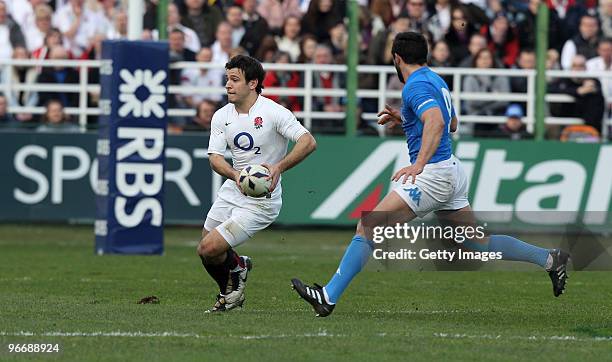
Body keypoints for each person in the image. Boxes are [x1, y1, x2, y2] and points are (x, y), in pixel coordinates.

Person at [291, 32, 570, 317]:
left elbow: (437, 121)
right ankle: (550, 259)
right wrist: (407, 117)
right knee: (476, 243)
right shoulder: (435, 79)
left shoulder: (414, 86)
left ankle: (328, 296)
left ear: (397, 58)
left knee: (369, 226)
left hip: (434, 173)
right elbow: (452, 123)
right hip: (450, 169)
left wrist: (419, 163)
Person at [198, 55, 317, 312]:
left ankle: (231, 291)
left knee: (210, 247)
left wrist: (278, 167)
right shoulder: (221, 116)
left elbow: (308, 142)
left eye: (234, 80)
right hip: (234, 188)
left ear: (253, 83)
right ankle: (234, 278)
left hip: (262, 200)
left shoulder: (274, 112)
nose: (228, 85)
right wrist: (235, 176)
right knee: (207, 251)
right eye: (227, 79)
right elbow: (215, 158)